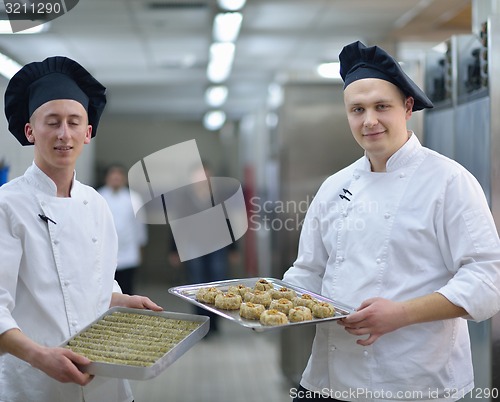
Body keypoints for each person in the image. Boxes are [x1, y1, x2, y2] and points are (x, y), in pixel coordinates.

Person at [283, 41, 500, 401]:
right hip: (328, 378)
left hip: (413, 382)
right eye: (357, 109)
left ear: (408, 107)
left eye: (381, 106)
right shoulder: (334, 187)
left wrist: (400, 313)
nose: (369, 120)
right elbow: (308, 270)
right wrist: (275, 302)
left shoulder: (449, 181)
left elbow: (488, 280)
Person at [0, 56, 162, 402]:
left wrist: (120, 300)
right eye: (52, 122)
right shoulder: (7, 205)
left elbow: (91, 283)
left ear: (88, 133)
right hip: (35, 384)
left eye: (74, 123)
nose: (64, 134)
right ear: (30, 131)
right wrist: (39, 356)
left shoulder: (96, 204)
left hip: (106, 380)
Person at [98, 164, 148, 295]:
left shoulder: (134, 198)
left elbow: (140, 225)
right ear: (106, 178)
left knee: (127, 291)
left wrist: (141, 247)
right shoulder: (98, 196)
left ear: (124, 179)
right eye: (112, 174)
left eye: (119, 175)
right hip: (104, 252)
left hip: (128, 252)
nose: (115, 178)